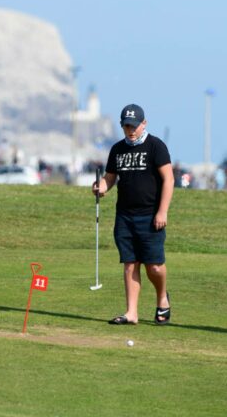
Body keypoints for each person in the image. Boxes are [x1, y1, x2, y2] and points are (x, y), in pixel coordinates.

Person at [92, 104, 175, 325]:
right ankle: (131, 313)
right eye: (126, 126)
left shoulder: (156, 146)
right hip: (125, 216)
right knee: (130, 263)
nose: (131, 130)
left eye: (134, 126)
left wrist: (162, 211)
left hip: (151, 215)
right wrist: (101, 187)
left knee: (154, 265)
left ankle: (162, 298)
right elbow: (110, 178)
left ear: (143, 124)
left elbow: (169, 179)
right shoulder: (117, 149)